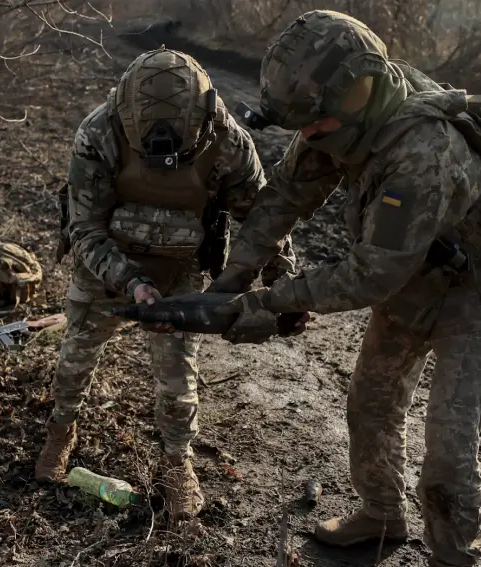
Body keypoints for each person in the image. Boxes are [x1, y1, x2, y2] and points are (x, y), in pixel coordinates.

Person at [204, 10, 481, 567]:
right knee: (372, 402)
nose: (307, 137)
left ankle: (450, 565)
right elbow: (286, 195)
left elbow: (370, 275)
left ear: (356, 95)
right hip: (414, 268)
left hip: (477, 288)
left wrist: (266, 303)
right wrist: (232, 279)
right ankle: (382, 514)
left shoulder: (421, 154)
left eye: (315, 126)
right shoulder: (337, 112)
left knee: (450, 447)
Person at [36, 46, 295, 525]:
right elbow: (85, 229)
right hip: (105, 263)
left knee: (178, 381)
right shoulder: (100, 132)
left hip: (180, 270)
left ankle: (177, 463)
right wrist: (130, 280)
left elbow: (262, 220)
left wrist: (286, 282)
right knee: (75, 358)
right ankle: (60, 430)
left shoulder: (227, 142)